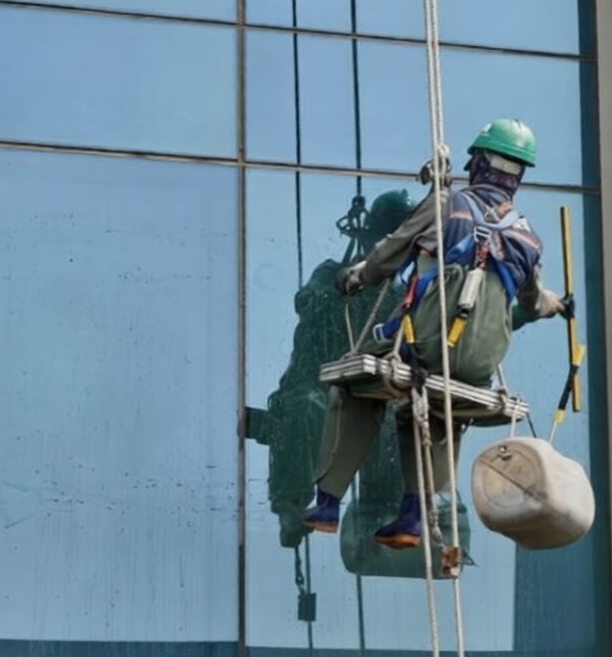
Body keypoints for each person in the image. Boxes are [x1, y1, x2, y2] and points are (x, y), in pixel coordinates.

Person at [300, 117, 574, 549]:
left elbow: (386, 259)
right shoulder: (529, 237)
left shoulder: (447, 204)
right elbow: (533, 301)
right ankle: (414, 516)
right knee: (441, 405)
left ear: (479, 162)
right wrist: (559, 305)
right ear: (518, 175)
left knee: (354, 384)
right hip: (480, 363)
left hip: (425, 344)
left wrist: (353, 278)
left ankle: (328, 502)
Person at [246, 190, 416, 547]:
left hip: (365, 396)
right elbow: (307, 303)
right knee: (309, 408)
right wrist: (345, 284)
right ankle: (291, 506)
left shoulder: (403, 299)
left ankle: (387, 517)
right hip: (314, 385)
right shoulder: (330, 273)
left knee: (394, 427)